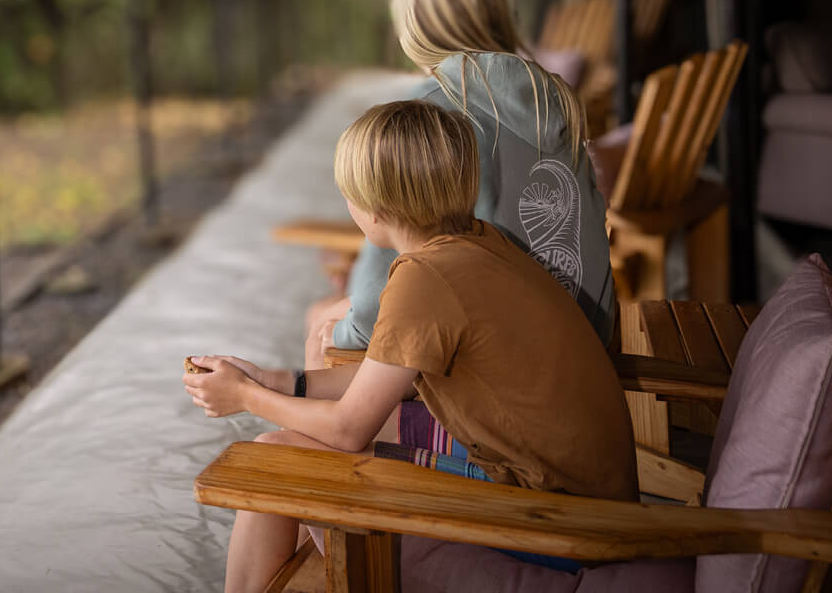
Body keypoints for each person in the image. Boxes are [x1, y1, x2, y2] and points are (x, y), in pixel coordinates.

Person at [186, 101, 637, 593]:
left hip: (560, 525)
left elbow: (347, 429)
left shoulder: (424, 278)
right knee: (298, 448)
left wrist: (245, 398)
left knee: (274, 457)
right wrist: (274, 381)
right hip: (578, 497)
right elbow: (387, 378)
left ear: (375, 209)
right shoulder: (478, 241)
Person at [306, 0, 617, 368]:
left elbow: (381, 282)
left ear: (414, 29)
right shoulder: (550, 96)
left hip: (508, 352)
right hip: (590, 328)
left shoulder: (429, 115)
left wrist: (346, 331)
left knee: (321, 320)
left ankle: (330, 431)